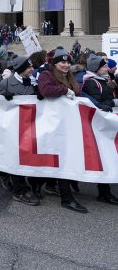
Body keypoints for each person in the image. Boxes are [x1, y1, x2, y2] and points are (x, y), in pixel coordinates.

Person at [37, 48, 88, 213]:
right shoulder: (46, 75)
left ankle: (42, 184)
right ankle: (66, 198)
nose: (66, 65)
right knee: (63, 159)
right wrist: (64, 90)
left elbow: (79, 94)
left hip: (68, 124)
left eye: (67, 62)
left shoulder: (69, 76)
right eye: (62, 62)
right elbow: (45, 90)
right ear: (55, 63)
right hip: (53, 124)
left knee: (62, 158)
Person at [0, 56, 43, 205]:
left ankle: (22, 184)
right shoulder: (6, 83)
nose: (32, 69)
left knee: (25, 157)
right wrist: (3, 98)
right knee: (15, 158)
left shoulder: (32, 82)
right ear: (21, 69)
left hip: (28, 126)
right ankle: (19, 191)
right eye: (29, 67)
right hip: (11, 128)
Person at [81, 54, 118, 205]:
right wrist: (113, 102)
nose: (107, 68)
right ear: (96, 68)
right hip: (99, 125)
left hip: (105, 123)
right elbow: (98, 104)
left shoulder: (101, 80)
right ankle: (104, 192)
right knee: (104, 156)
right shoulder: (91, 83)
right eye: (104, 66)